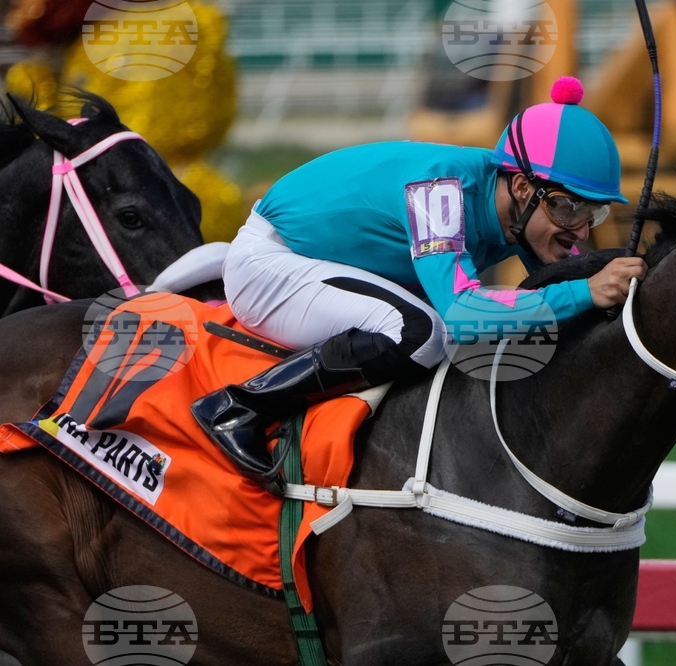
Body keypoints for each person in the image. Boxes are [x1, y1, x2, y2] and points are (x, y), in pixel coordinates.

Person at [191, 77, 647, 492]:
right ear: (525, 189)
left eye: (594, 214)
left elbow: (542, 291)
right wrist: (585, 291)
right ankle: (239, 408)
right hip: (270, 267)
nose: (581, 231)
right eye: (570, 209)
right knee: (421, 333)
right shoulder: (440, 191)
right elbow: (465, 317)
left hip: (322, 263)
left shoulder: (514, 207)